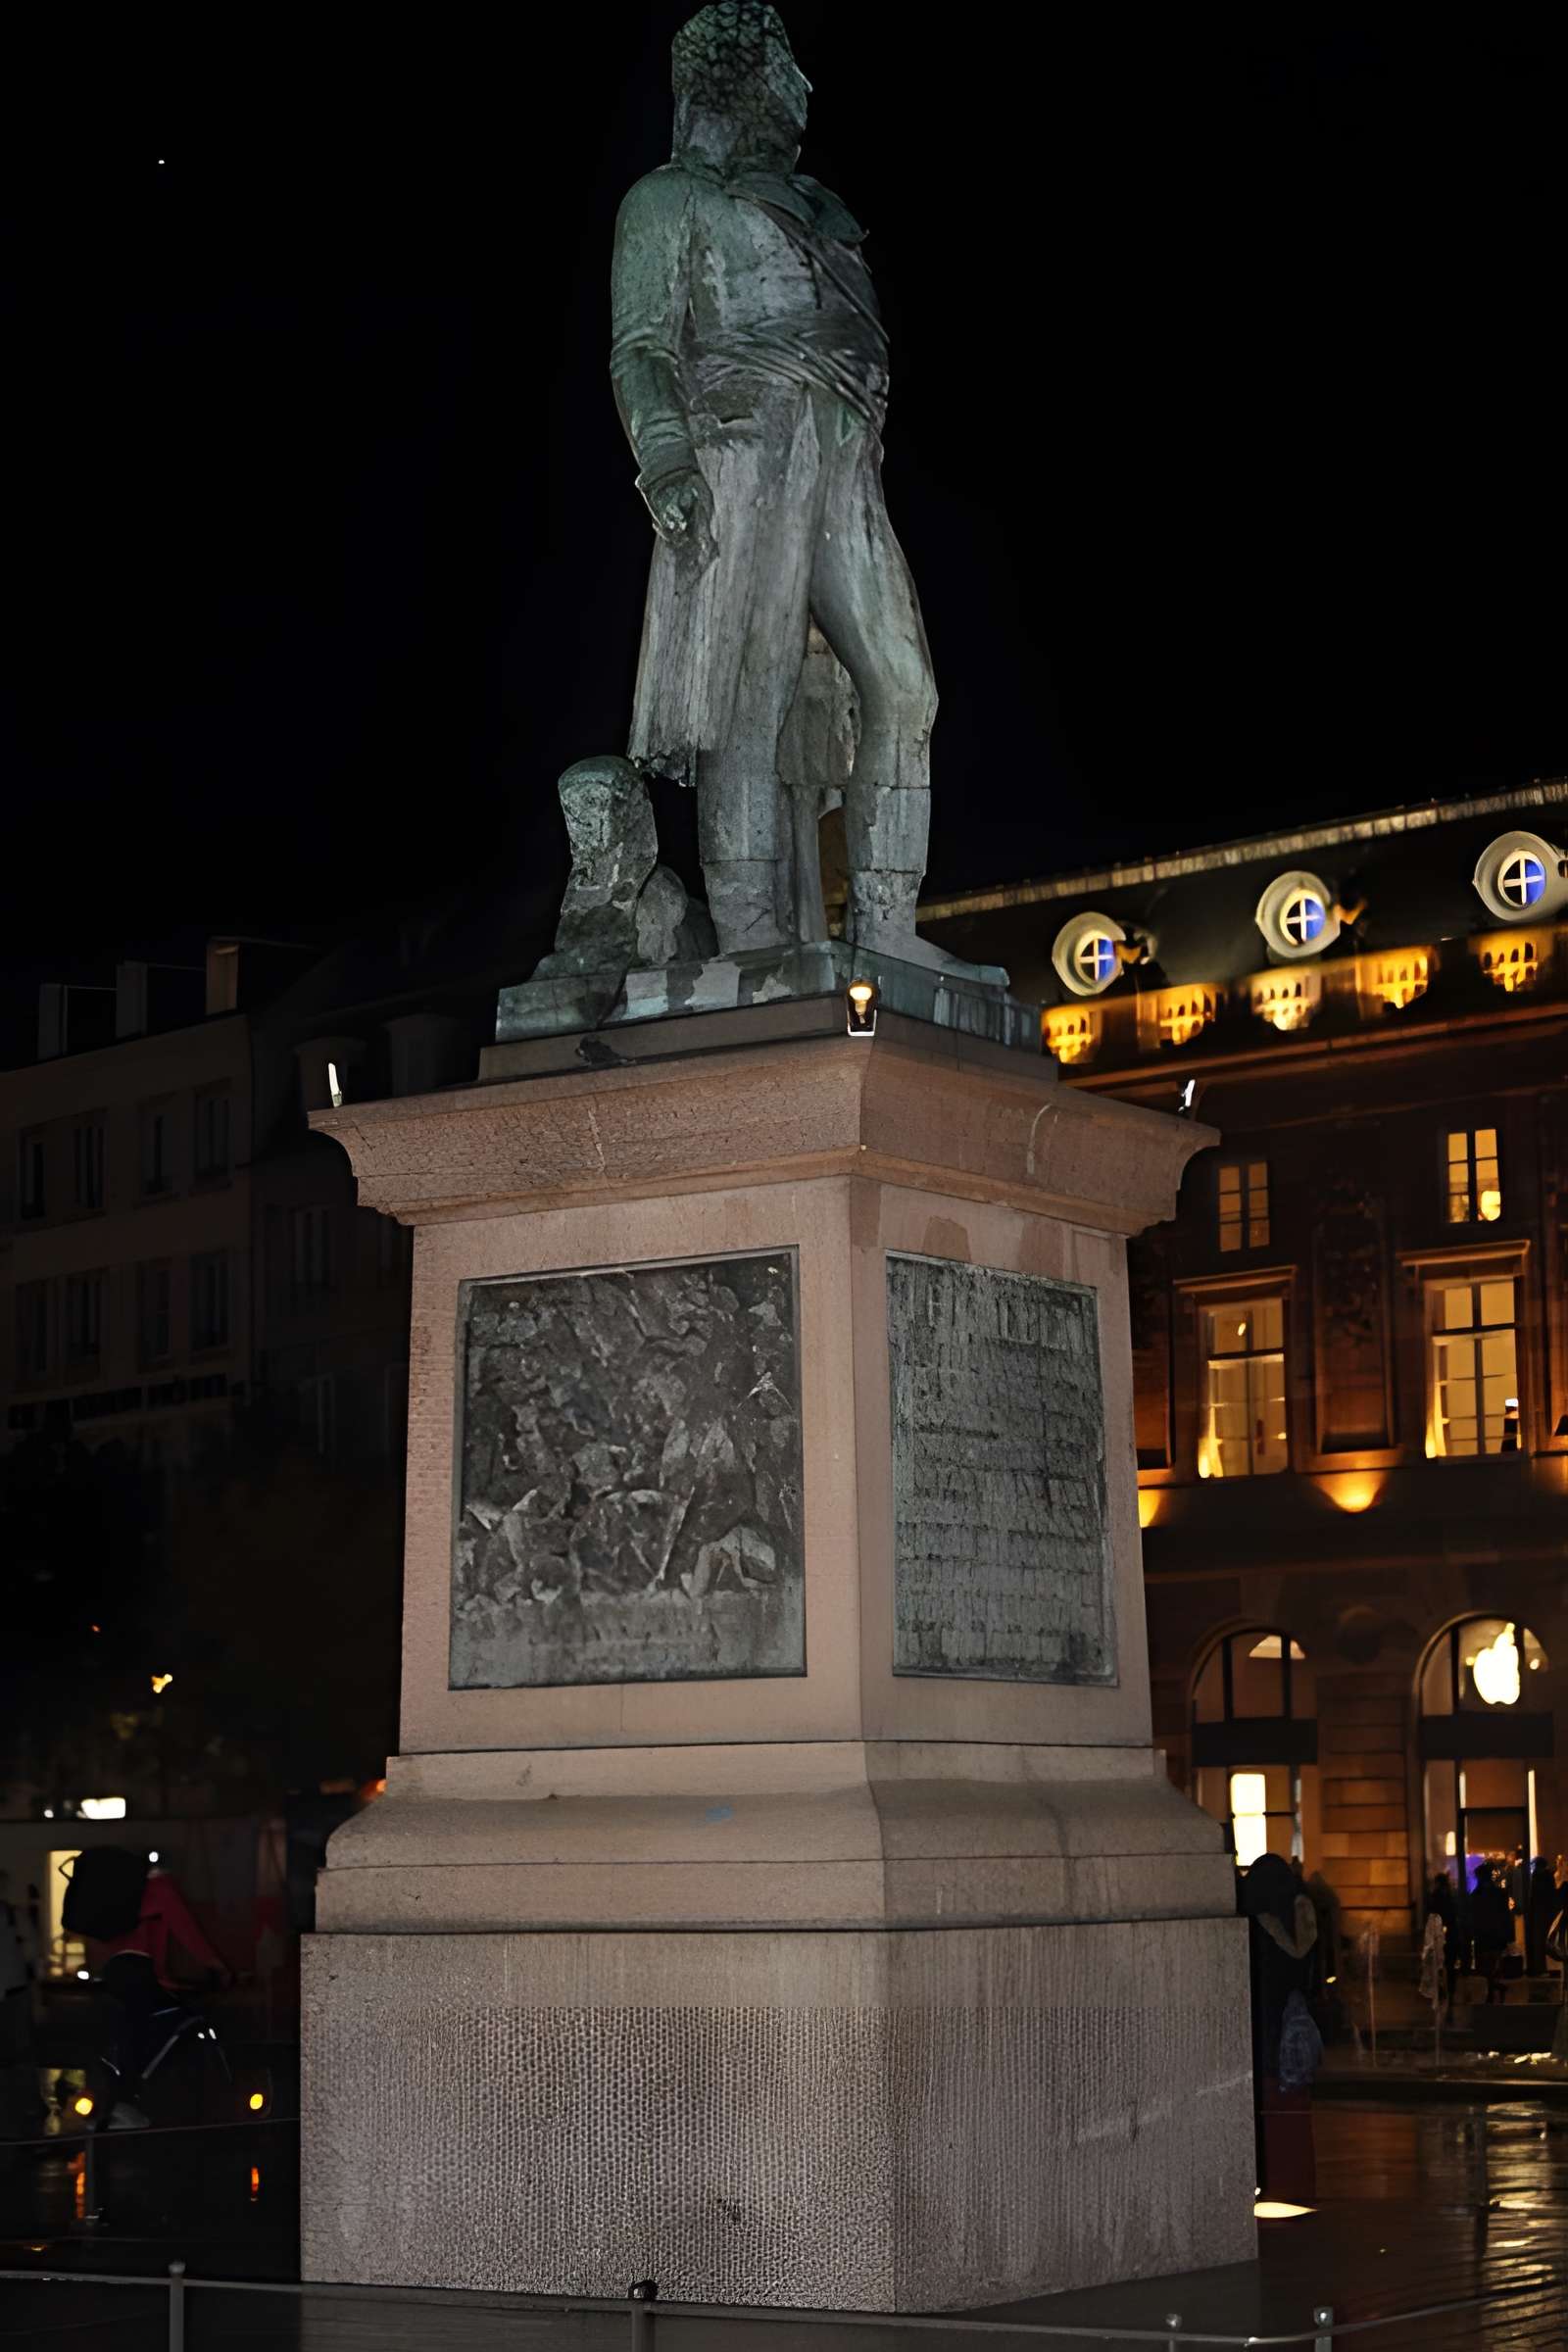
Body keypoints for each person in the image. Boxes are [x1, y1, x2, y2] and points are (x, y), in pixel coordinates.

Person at [611, 1, 946, 963]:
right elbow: (639, 347)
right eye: (788, 71)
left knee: (903, 688)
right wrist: (667, 455)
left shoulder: (813, 210)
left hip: (842, 456)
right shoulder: (667, 200)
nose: (804, 90)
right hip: (739, 451)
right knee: (744, 699)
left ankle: (886, 930)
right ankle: (752, 942)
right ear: (740, 82)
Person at [1242, 1853, 1320, 2202]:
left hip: (1263, 2034)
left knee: (1267, 2111)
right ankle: (1299, 2183)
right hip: (1298, 2030)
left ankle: (1271, 2184)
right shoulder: (1302, 1917)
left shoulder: (1255, 1924)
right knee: (1296, 2109)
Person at [1470, 1862, 1512, 2004]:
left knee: (1486, 1964)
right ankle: (1495, 1986)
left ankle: (1493, 1986)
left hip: (1485, 1933)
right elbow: (1505, 1915)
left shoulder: (1477, 1894)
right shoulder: (1499, 1893)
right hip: (1495, 1933)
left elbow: (1474, 1915)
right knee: (1493, 1963)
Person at [1424, 1869, 1458, 2000]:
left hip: (1438, 1935)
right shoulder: (1452, 1895)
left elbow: (1431, 1915)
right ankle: (1451, 1989)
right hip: (1451, 1934)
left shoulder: (1434, 1897)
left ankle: (1441, 1988)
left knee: (1438, 1963)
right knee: (1450, 1965)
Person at [1526, 1858, 1561, 1978]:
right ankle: (1543, 1967)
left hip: (1538, 1913)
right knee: (1543, 1940)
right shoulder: (1547, 1877)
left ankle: (1539, 1968)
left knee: (1539, 1941)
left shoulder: (1535, 1877)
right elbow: (1552, 1894)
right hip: (1545, 1912)